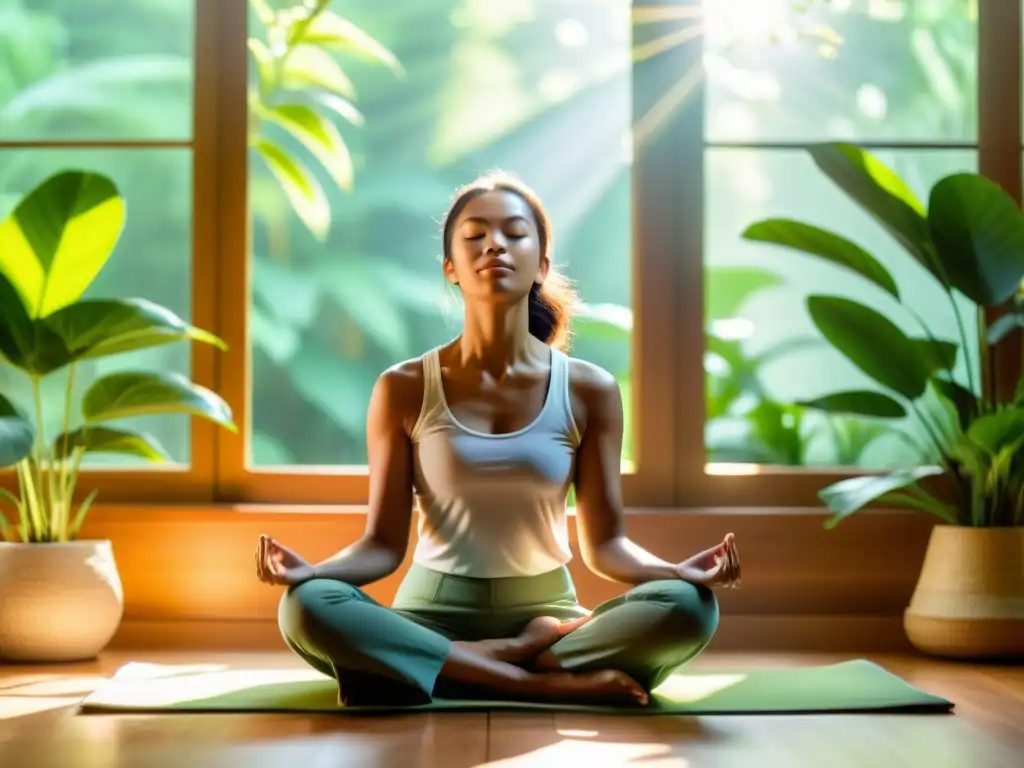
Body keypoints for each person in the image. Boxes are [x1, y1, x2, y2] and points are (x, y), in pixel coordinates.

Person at [254, 171, 741, 707]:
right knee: (304, 606)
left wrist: (676, 571)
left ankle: (439, 669)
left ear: (542, 264)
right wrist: (312, 572)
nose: (494, 245)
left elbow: (605, 546)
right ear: (450, 268)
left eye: (514, 233)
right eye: (475, 235)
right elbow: (383, 545)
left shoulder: (588, 390)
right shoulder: (404, 387)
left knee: (690, 607)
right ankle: (532, 677)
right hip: (431, 614)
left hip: (548, 615)